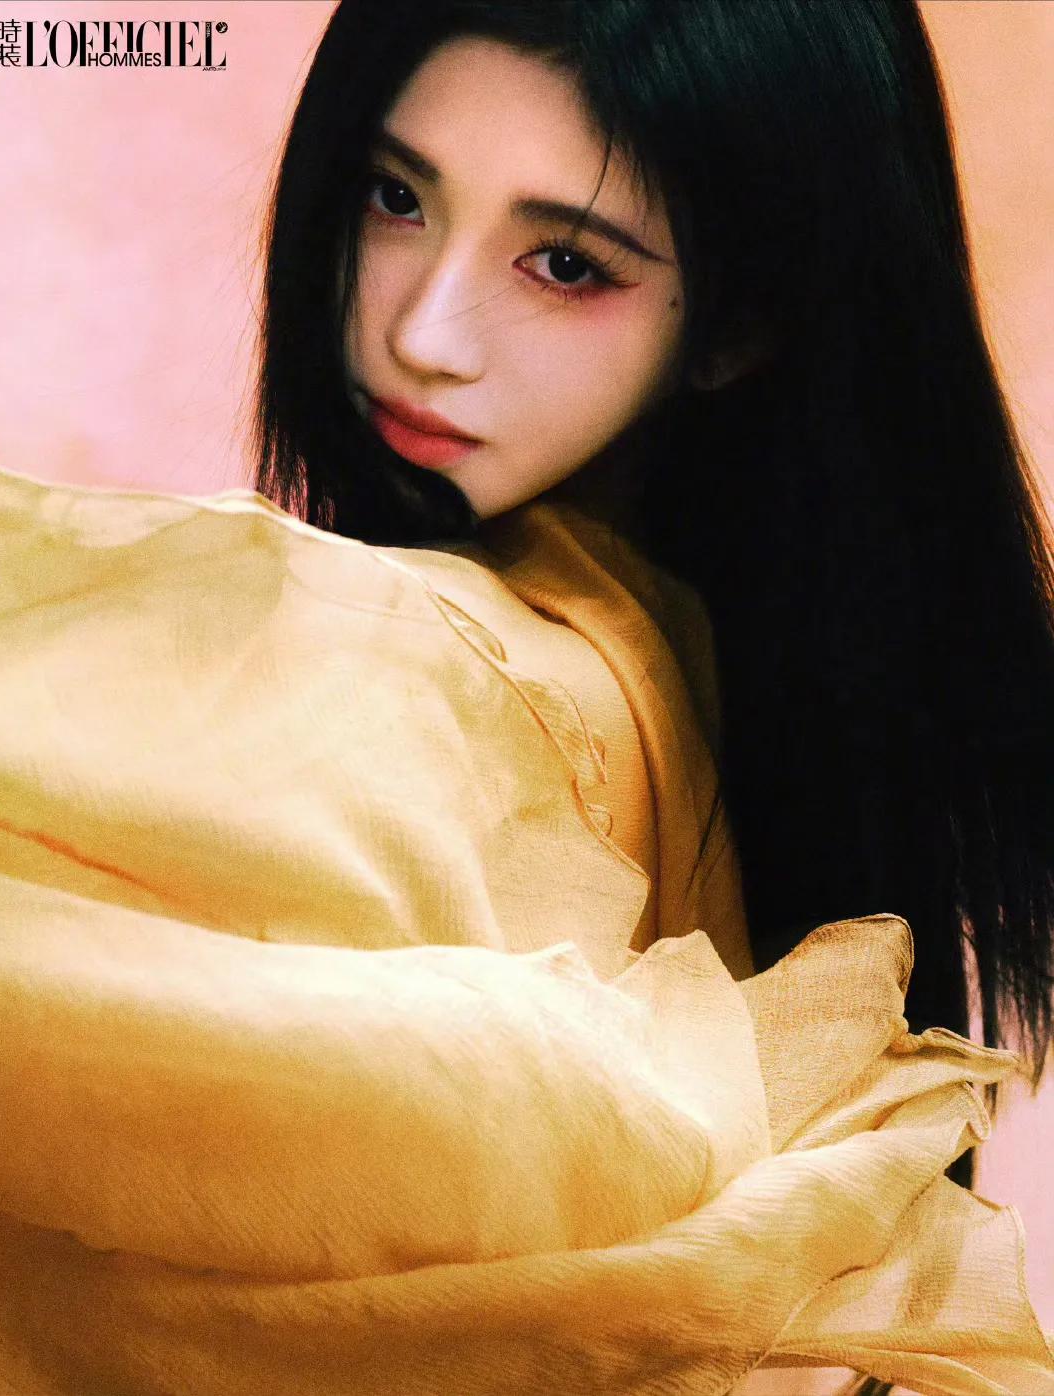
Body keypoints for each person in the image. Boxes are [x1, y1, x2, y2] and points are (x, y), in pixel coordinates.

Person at [254, 0, 1053, 1152]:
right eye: (396, 196)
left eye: (564, 264)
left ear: (740, 325)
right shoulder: (752, 686)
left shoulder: (494, 679)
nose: (423, 336)